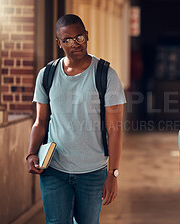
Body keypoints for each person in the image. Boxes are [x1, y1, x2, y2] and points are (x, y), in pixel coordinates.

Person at [25, 14, 126, 223]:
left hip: (92, 172)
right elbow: (40, 122)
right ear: (59, 43)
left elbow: (114, 129)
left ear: (86, 36)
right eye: (67, 40)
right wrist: (31, 154)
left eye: (79, 37)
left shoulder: (106, 75)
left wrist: (112, 174)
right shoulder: (47, 75)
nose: (75, 44)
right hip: (53, 170)